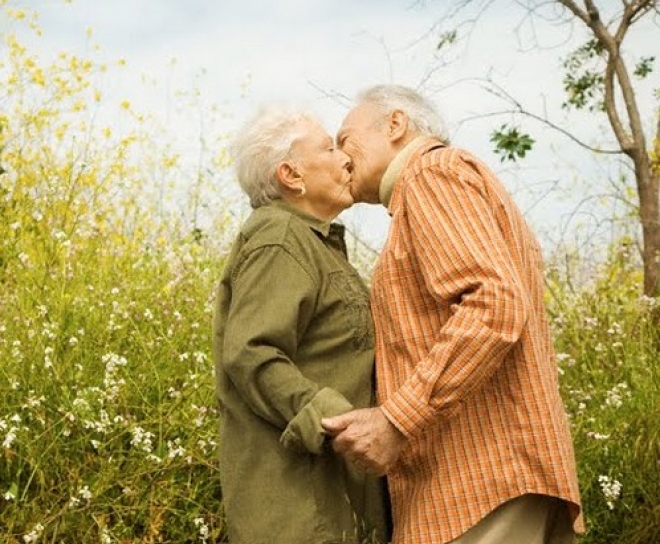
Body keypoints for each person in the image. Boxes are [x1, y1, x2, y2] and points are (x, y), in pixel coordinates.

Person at [322, 84, 584, 544]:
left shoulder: (431, 173)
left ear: (396, 125)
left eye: (345, 139)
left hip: (482, 480)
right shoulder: (439, 187)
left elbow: (493, 304)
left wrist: (395, 420)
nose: (341, 158)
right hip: (488, 482)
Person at [212, 105, 391, 544]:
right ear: (291, 175)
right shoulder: (281, 239)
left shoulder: (311, 243)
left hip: (330, 503)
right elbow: (251, 353)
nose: (345, 158)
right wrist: (336, 421)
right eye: (329, 148)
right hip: (296, 513)